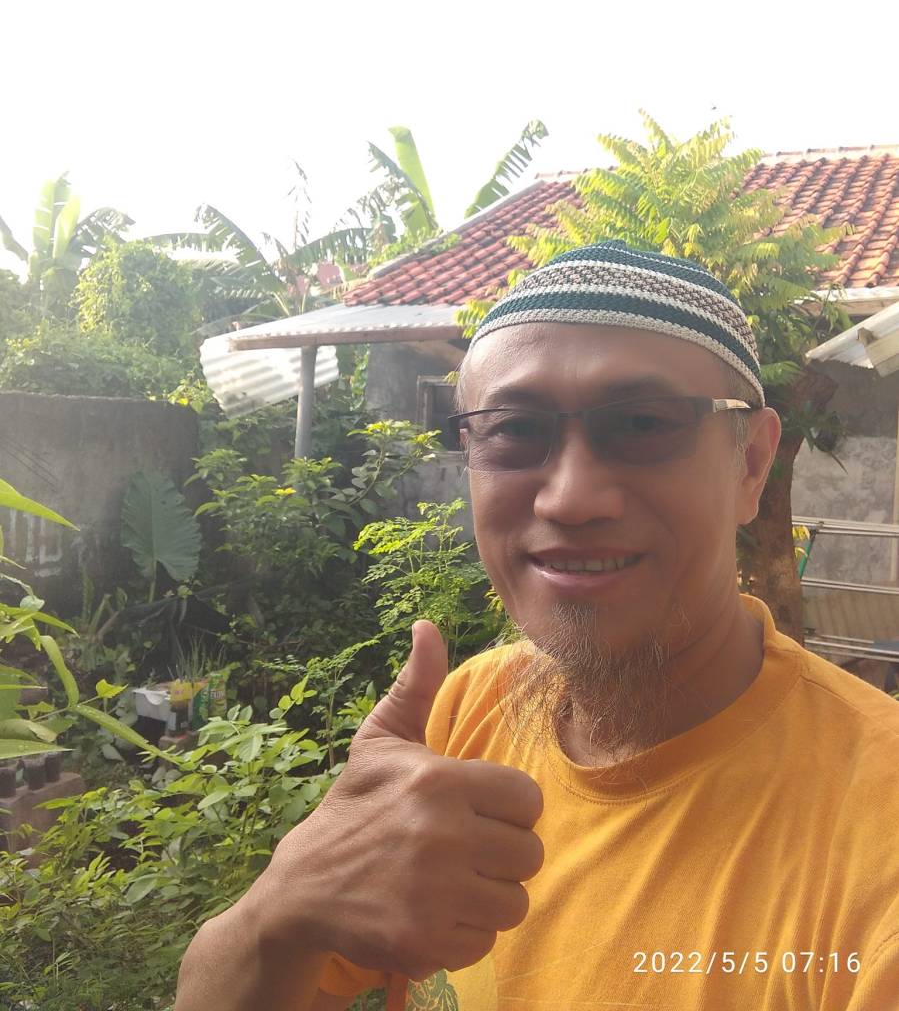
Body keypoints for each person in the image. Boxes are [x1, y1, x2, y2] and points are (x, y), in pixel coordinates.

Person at [174, 241, 899, 1011]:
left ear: (749, 464)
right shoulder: (470, 710)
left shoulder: (875, 840)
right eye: (513, 430)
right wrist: (281, 911)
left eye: (643, 423)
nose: (569, 498)